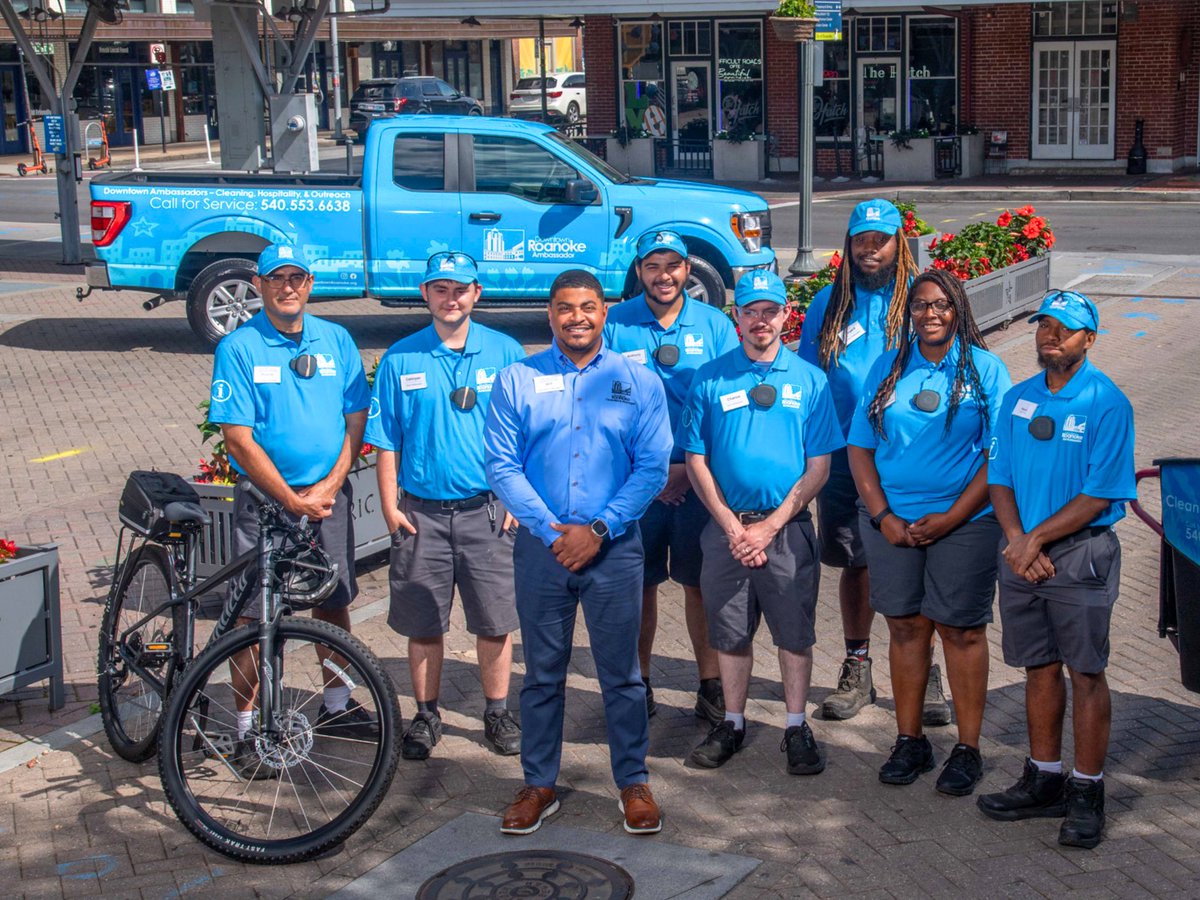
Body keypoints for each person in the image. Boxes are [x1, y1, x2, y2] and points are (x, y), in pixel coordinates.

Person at [484, 269, 672, 836]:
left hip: (614, 550)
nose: (577, 318)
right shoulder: (517, 379)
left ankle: (632, 781)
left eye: (588, 306)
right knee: (542, 676)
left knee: (622, 675)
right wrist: (550, 530)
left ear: (605, 312)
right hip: (543, 551)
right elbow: (501, 464)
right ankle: (539, 783)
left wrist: (599, 527)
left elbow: (653, 466)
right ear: (550, 314)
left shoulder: (637, 381)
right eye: (565, 308)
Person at [207, 243, 374, 776]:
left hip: (327, 499)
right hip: (265, 503)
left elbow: (356, 422)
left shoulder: (337, 339)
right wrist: (290, 498)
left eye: (297, 277)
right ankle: (246, 728)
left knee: (333, 599)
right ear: (258, 285)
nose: (288, 287)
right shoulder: (239, 347)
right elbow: (236, 437)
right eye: (277, 278)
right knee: (254, 613)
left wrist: (328, 486)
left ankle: (336, 706)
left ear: (310, 283)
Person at [978, 290, 1135, 849]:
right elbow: (999, 477)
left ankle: (1087, 790)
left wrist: (1035, 539)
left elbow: (1101, 492)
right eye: (1044, 325)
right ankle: (1044, 777)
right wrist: (1020, 540)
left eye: (1064, 329)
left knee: (1085, 672)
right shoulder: (1017, 399)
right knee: (1038, 668)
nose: (1050, 336)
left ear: (1088, 339)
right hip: (1024, 551)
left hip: (1080, 553)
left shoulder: (1106, 402)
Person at [846, 269, 1012, 795]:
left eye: (941, 304)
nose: (931, 313)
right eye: (920, 305)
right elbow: (860, 447)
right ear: (909, 312)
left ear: (958, 308)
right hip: (894, 525)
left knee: (961, 631)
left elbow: (998, 456)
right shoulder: (889, 367)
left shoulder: (985, 369)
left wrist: (954, 517)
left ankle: (967, 748)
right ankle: (910, 739)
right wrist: (883, 516)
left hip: (966, 523)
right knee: (904, 627)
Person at [679, 271, 843, 775]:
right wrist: (731, 525)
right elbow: (695, 459)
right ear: (737, 317)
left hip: (786, 531)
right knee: (728, 632)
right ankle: (732, 721)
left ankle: (796, 726)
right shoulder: (708, 378)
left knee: (794, 632)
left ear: (786, 316)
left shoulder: (810, 380)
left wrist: (770, 527)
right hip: (726, 530)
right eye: (750, 311)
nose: (760, 321)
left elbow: (819, 466)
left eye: (770, 311)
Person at [365, 252, 526, 761]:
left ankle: (497, 711)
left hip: (487, 511)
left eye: (460, 289)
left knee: (494, 622)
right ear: (425, 295)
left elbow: (527, 432)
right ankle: (426, 714)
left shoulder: (505, 353)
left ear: (477, 293)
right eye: (440, 289)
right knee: (423, 622)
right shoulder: (400, 358)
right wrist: (390, 506)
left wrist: (517, 498)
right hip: (421, 516)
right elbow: (386, 438)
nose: (450, 298)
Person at [798, 198, 951, 726]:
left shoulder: (920, 301)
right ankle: (858, 664)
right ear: (848, 243)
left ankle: (926, 670)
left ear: (898, 244)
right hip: (844, 456)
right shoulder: (827, 303)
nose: (870, 249)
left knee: (921, 556)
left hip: (911, 455)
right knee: (856, 561)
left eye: (881, 239)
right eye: (861, 238)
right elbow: (809, 379)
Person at [603, 229, 739, 724]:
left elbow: (725, 402)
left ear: (688, 269)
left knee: (700, 583)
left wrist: (684, 469)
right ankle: (636, 683)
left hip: (697, 481)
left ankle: (710, 684)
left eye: (673, 265)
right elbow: (603, 404)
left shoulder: (715, 325)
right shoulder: (615, 324)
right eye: (653, 266)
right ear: (639, 271)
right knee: (636, 586)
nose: (664, 276)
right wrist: (652, 471)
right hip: (635, 483)